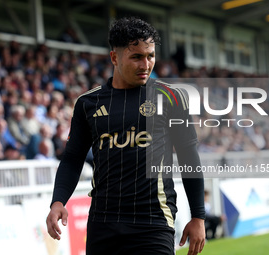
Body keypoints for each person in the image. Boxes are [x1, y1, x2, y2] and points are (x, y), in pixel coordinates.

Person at [46, 17, 205, 255]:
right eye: (136, 57)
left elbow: (189, 158)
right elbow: (72, 158)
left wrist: (198, 216)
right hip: (103, 224)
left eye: (150, 55)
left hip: (154, 222)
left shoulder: (171, 98)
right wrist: (58, 201)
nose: (146, 64)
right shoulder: (88, 103)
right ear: (114, 58)